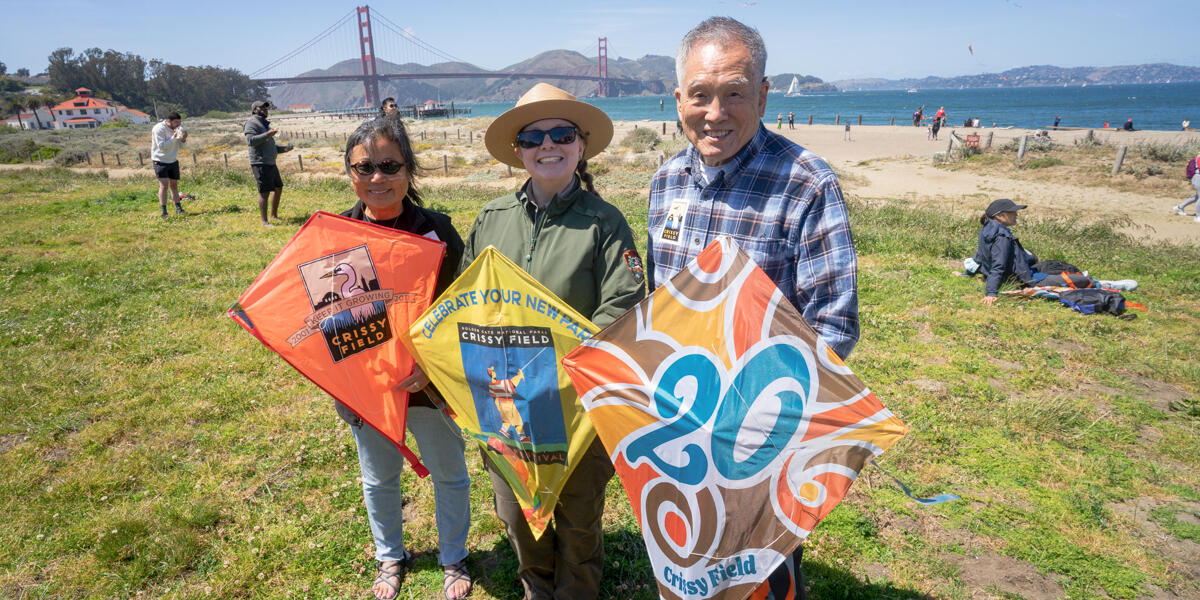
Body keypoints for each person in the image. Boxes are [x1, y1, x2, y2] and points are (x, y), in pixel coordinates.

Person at [648, 17, 859, 599]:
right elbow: (658, 303)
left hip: (760, 438)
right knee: (685, 563)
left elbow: (834, 324)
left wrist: (757, 415)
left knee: (760, 572)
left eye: (735, 93)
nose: (716, 112)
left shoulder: (807, 184)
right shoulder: (665, 182)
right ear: (679, 99)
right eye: (701, 94)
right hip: (679, 424)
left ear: (764, 95)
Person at [468, 82, 645, 600]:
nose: (549, 145)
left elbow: (623, 305)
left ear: (581, 144)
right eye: (533, 136)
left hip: (580, 406)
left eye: (562, 133)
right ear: (518, 150)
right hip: (506, 404)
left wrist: (561, 362)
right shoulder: (491, 218)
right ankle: (536, 589)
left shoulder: (605, 223)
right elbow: (465, 302)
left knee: (579, 515)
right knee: (517, 513)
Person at [337, 116, 473, 600]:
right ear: (350, 173)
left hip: (431, 382)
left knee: (449, 472)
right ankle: (389, 557)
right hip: (368, 387)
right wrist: (360, 378)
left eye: (390, 165)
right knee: (378, 479)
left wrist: (431, 366)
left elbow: (463, 308)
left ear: (409, 169)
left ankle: (454, 556)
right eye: (365, 167)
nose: (378, 178)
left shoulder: (438, 232)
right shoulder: (337, 236)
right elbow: (334, 322)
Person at [963, 199, 1136, 306]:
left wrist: (967, 274)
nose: (1016, 214)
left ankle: (1077, 277)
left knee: (1053, 265)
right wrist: (991, 293)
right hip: (1024, 279)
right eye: (1012, 212)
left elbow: (980, 256)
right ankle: (1107, 285)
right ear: (1000, 216)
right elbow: (998, 265)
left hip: (1022, 270)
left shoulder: (987, 229)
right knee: (1079, 280)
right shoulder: (1002, 236)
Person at [244, 100, 293, 227]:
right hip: (260, 162)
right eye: (262, 108)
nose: (265, 110)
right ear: (255, 110)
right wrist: (268, 134)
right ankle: (264, 222)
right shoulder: (251, 123)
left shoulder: (264, 124)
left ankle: (274, 215)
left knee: (278, 188)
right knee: (264, 192)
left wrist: (284, 149)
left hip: (270, 162)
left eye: (266, 108)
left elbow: (271, 146)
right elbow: (251, 141)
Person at [150, 111, 188, 219]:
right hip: (160, 160)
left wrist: (184, 139)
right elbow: (162, 146)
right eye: (176, 122)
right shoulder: (159, 129)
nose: (178, 125)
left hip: (173, 160)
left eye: (180, 122)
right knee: (164, 185)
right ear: (168, 121)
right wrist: (173, 137)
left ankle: (179, 209)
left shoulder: (178, 129)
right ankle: (164, 211)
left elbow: (182, 147)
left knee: (174, 185)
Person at [1171, 151, 1200, 221]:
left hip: (1196, 178)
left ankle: (1180, 207)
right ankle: (1198, 216)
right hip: (1198, 178)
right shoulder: (1199, 158)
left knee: (1197, 197)